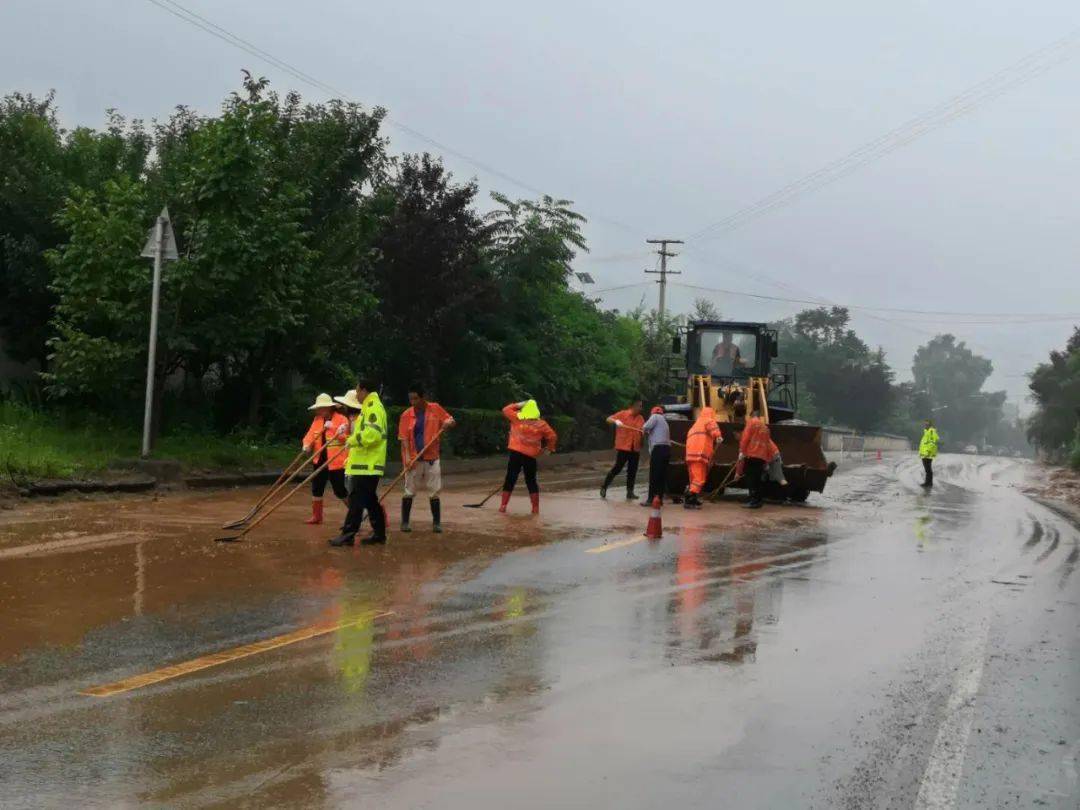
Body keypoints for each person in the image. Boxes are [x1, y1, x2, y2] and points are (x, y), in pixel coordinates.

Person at [329, 380, 388, 547]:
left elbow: (372, 435)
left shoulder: (373, 407)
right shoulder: (371, 407)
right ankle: (379, 534)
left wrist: (352, 440)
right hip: (366, 464)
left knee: (356, 499)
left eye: (357, 390)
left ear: (363, 390)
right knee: (370, 501)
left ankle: (348, 534)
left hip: (367, 465)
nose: (356, 394)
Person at [397, 385, 456, 533]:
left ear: (423, 398)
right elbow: (403, 439)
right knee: (409, 490)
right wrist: (408, 458)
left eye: (415, 398)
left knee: (434, 491)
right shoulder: (406, 415)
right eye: (410, 399)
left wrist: (448, 423)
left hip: (432, 458)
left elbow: (451, 421)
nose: (413, 402)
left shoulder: (435, 408)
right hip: (414, 459)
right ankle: (405, 522)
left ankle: (436, 523)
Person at [500, 399, 558, 514]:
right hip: (530, 456)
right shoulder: (542, 424)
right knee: (531, 481)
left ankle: (503, 506)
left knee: (510, 479)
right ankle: (535, 508)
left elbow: (505, 410)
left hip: (515, 454)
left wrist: (520, 403)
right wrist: (548, 449)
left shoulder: (516, 418)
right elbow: (552, 437)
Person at [301, 393, 351, 524]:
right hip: (319, 459)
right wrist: (306, 445)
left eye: (321, 408)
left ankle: (354, 513)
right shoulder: (317, 420)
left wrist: (334, 428)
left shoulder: (341, 419)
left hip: (336, 461)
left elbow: (346, 439)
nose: (319, 410)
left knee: (339, 490)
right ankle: (317, 516)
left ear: (329, 408)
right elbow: (310, 435)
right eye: (318, 408)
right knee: (317, 487)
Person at [600, 398, 645, 500]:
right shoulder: (623, 414)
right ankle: (604, 486)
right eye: (639, 406)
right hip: (624, 447)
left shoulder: (640, 418)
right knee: (617, 468)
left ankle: (630, 492)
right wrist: (616, 421)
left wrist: (643, 435)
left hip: (635, 449)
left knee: (632, 471)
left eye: (641, 406)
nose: (641, 408)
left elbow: (642, 431)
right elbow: (608, 419)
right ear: (633, 406)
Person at [684, 407, 723, 509]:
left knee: (693, 479)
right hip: (699, 455)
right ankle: (689, 501)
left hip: (691, 456)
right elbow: (713, 427)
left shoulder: (694, 426)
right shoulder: (708, 420)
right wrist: (718, 436)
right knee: (699, 479)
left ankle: (694, 498)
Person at [739, 409, 774, 509]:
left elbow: (745, 438)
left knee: (750, 478)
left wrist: (742, 451)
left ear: (751, 416)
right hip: (761, 457)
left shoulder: (751, 423)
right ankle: (758, 500)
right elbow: (768, 445)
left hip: (752, 455)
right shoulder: (766, 428)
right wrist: (767, 460)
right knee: (758, 479)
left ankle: (753, 500)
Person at [641, 405, 672, 506]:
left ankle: (651, 499)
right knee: (661, 476)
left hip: (658, 449)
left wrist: (643, 430)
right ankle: (659, 499)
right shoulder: (664, 421)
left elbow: (645, 427)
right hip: (667, 449)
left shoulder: (655, 417)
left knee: (654, 475)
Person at [919, 418, 939, 488]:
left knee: (928, 469)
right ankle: (928, 482)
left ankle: (928, 483)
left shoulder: (931, 431)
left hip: (928, 454)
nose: (925, 425)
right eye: (924, 424)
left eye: (927, 424)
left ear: (930, 425)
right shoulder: (926, 431)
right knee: (927, 469)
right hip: (925, 453)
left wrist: (928, 451)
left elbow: (932, 443)